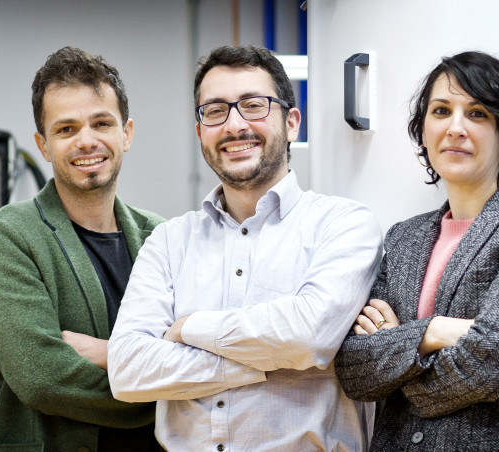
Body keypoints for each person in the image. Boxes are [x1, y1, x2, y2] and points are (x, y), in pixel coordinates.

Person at [107, 45, 384, 451]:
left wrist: (190, 329)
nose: (234, 125)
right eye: (215, 111)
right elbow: (129, 371)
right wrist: (274, 359)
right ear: (200, 130)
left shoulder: (343, 225)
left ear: (291, 123)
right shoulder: (169, 241)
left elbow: (309, 336)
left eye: (254, 106)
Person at [334, 51, 499, 451]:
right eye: (441, 110)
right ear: (424, 130)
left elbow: (491, 364)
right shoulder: (404, 239)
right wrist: (436, 332)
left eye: (478, 113)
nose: (455, 127)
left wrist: (400, 348)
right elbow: (354, 370)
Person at [0, 46, 165, 451]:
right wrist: (168, 393)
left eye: (101, 123)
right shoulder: (11, 238)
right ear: (43, 145)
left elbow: (200, 355)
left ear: (125, 134)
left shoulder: (162, 239)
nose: (87, 141)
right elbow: (42, 378)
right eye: (66, 129)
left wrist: (112, 354)